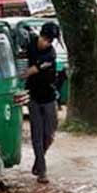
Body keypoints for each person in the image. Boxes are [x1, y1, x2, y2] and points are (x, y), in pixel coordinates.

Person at [22, 22, 60, 184]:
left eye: (50, 41)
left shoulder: (50, 54)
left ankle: (38, 163)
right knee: (36, 134)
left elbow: (32, 70)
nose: (47, 43)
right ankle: (42, 172)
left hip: (49, 97)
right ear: (40, 36)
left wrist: (18, 76)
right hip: (33, 97)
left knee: (49, 135)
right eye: (45, 39)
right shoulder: (30, 43)